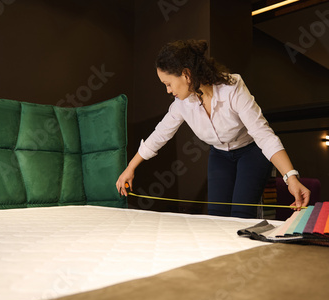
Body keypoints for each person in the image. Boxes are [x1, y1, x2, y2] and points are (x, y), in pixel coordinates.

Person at [116, 39, 310, 218]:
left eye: (168, 84)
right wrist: (130, 168)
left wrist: (291, 177)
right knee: (217, 215)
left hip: (251, 152)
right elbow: (160, 134)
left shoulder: (232, 88)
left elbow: (263, 135)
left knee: (240, 214)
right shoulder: (182, 104)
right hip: (220, 155)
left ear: (186, 74)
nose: (168, 90)